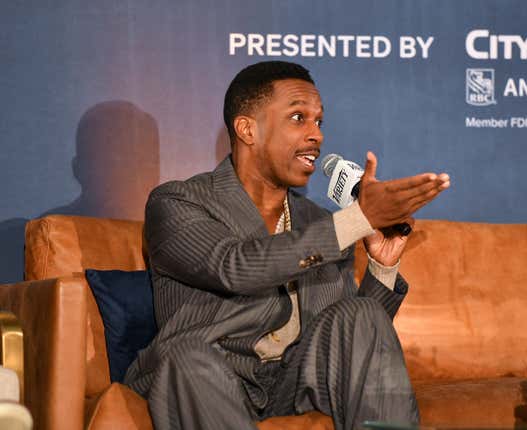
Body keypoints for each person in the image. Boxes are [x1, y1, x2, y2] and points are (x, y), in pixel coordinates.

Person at [124, 61, 450, 429]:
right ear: (248, 129)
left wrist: (381, 266)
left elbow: (349, 341)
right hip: (207, 378)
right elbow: (235, 266)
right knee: (186, 356)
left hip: (294, 382)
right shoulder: (178, 202)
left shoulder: (320, 222)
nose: (317, 135)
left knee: (362, 315)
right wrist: (356, 220)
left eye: (319, 122)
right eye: (299, 118)